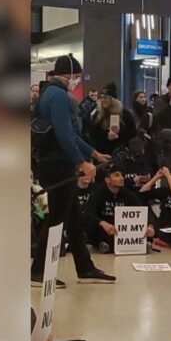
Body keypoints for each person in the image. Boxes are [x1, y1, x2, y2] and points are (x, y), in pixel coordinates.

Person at [30, 54, 115, 286]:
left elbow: (72, 135)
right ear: (69, 75)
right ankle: (38, 271)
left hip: (53, 161)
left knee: (74, 218)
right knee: (57, 219)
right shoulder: (57, 96)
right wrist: (81, 162)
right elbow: (64, 134)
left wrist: (93, 154)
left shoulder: (50, 93)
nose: (77, 80)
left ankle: (85, 267)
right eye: (76, 76)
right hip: (59, 163)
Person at [83, 164, 155, 254]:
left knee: (144, 231)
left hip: (124, 230)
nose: (121, 178)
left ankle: (139, 244)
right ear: (107, 180)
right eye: (117, 175)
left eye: (122, 175)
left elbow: (143, 210)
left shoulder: (129, 195)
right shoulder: (97, 194)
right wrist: (102, 223)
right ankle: (105, 245)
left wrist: (150, 226)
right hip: (106, 229)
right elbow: (88, 214)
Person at [88, 83, 137, 157]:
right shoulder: (98, 115)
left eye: (106, 98)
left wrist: (119, 133)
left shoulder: (125, 114)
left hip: (121, 155)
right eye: (101, 97)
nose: (103, 100)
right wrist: (106, 136)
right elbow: (93, 135)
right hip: (102, 154)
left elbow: (132, 134)